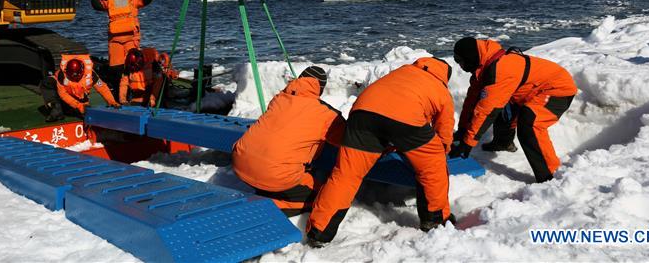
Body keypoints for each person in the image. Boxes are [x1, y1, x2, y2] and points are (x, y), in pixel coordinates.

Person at [307, 57, 455, 244]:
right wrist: (436, 152)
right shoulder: (440, 88)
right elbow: (444, 132)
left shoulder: (401, 73)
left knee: (346, 175)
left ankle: (319, 231)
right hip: (405, 118)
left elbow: (385, 110)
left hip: (361, 114)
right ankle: (435, 220)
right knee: (434, 166)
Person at [450, 37, 577, 183]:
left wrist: (467, 144)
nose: (459, 65)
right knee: (501, 105)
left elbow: (486, 111)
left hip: (557, 89)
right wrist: (462, 130)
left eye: (460, 60)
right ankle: (503, 143)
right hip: (530, 91)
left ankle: (550, 175)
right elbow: (473, 102)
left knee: (530, 123)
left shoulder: (500, 70)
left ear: (471, 58)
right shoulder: (484, 67)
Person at [232, 66, 345, 215]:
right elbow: (349, 139)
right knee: (323, 195)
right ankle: (271, 204)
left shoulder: (279, 98)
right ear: (320, 88)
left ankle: (267, 192)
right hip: (275, 176)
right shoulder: (326, 113)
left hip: (239, 165)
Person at [88, 0, 153, 96]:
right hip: (115, 40)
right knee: (115, 68)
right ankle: (120, 92)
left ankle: (137, 90)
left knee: (134, 65)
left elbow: (146, 1)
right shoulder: (109, 2)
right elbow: (97, 6)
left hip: (131, 38)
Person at [40, 54, 119, 121]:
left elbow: (102, 88)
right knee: (47, 82)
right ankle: (55, 109)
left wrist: (112, 102)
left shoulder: (91, 74)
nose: (74, 78)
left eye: (77, 76)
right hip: (63, 95)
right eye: (72, 76)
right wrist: (78, 106)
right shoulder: (62, 75)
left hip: (80, 97)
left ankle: (69, 109)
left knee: (84, 114)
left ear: (82, 71)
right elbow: (63, 94)